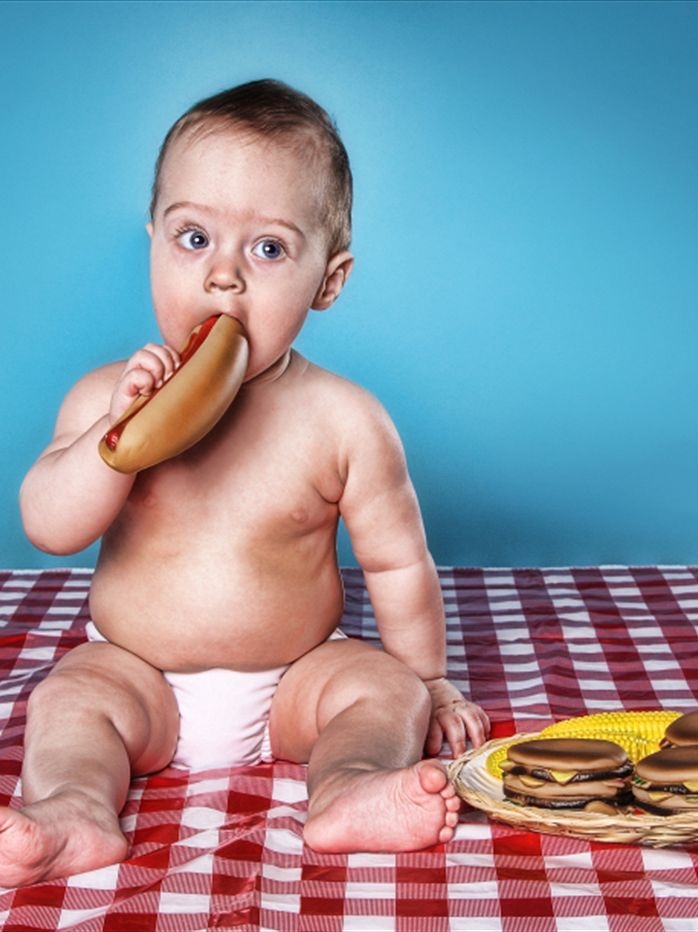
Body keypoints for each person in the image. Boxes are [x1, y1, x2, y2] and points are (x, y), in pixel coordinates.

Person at [8, 79, 489, 886]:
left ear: (327, 282)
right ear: (153, 239)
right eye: (193, 237)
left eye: (267, 249)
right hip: (135, 671)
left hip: (293, 676)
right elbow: (49, 527)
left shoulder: (344, 420)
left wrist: (432, 680)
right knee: (65, 702)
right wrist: (113, 440)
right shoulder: (104, 397)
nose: (222, 277)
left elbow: (398, 566)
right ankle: (73, 813)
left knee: (384, 693)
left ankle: (349, 789)